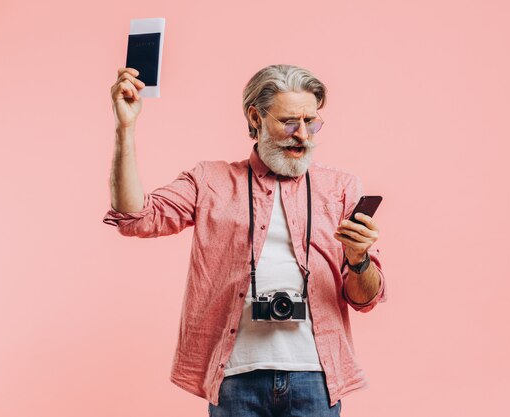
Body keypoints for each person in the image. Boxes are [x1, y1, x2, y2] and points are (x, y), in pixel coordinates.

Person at [103, 64, 388, 417]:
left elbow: (364, 299)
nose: (303, 134)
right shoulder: (210, 180)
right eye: (288, 122)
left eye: (311, 122)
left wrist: (359, 258)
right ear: (256, 117)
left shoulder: (341, 188)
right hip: (235, 376)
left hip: (317, 376)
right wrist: (125, 128)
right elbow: (136, 219)